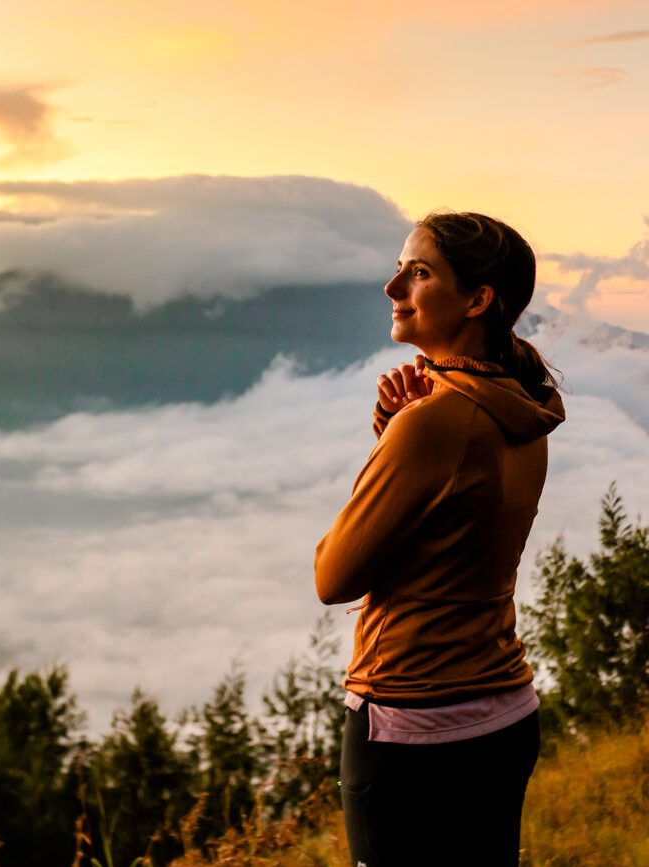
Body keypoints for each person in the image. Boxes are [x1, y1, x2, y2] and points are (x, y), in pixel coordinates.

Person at [314, 211, 566, 867]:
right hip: (505, 709)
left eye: (419, 272)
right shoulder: (521, 406)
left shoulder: (434, 421)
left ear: (478, 299)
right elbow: (455, 532)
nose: (393, 286)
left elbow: (332, 577)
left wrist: (396, 440)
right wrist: (395, 434)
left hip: (413, 723)